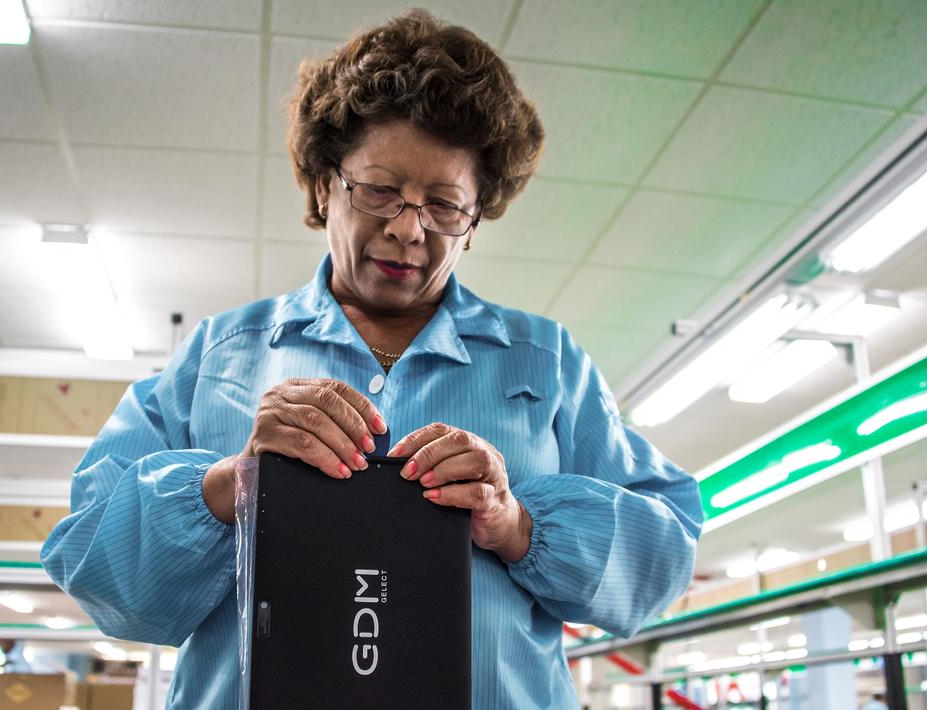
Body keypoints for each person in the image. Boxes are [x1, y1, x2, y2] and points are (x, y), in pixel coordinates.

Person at [41, 9, 702, 708]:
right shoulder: (217, 356)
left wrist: (516, 524)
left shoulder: (545, 363)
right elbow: (93, 566)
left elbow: (664, 560)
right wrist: (229, 485)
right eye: (380, 190)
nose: (407, 227)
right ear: (326, 184)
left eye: (444, 205)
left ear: (473, 223)